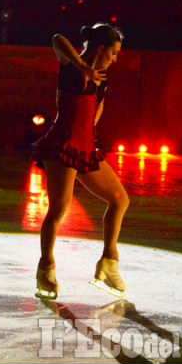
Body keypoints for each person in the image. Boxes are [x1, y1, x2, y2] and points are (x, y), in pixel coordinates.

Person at [31, 22, 129, 299]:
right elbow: (56, 37)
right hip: (62, 144)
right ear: (101, 48)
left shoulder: (103, 81)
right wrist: (82, 66)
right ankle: (46, 267)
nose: (115, 58)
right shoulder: (71, 65)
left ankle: (108, 262)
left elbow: (94, 116)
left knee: (119, 199)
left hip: (85, 148)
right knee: (59, 207)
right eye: (114, 52)